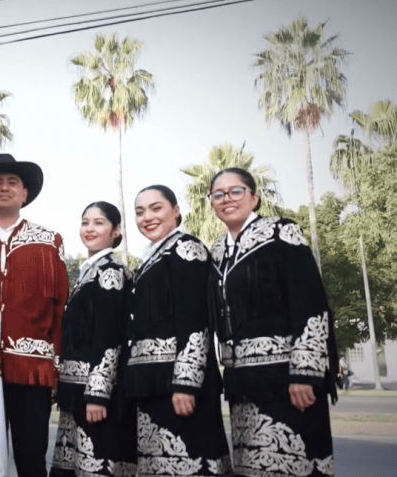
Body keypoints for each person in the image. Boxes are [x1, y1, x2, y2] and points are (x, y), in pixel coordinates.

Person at [207, 168, 338, 477]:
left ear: (254, 198)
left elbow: (310, 303)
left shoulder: (281, 233)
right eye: (218, 194)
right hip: (241, 383)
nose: (227, 199)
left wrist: (304, 373)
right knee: (253, 469)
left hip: (286, 379)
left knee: (293, 465)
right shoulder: (217, 252)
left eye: (236, 191)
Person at [125, 185, 231, 476]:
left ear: (176, 211)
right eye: (140, 212)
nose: (147, 217)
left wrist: (186, 382)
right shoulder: (152, 257)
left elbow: (195, 319)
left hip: (178, 385)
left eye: (156, 208)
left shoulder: (186, 249)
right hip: (152, 384)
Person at [0, 154, 69, 477]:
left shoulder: (49, 241)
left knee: (31, 460)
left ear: (24, 194)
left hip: (33, 371)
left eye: (12, 182)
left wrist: (57, 368)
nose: (4, 188)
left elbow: (60, 308)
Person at [50, 202, 137, 477]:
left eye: (99, 223)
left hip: (95, 396)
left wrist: (98, 394)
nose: (90, 228)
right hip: (76, 393)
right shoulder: (89, 271)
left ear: (116, 231)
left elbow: (109, 336)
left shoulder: (110, 272)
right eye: (85, 222)